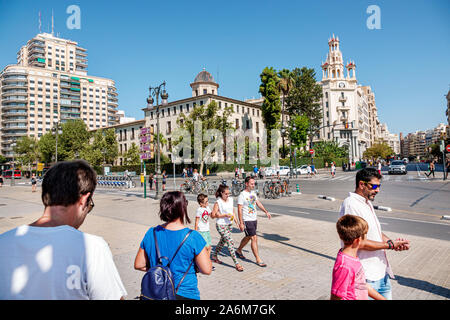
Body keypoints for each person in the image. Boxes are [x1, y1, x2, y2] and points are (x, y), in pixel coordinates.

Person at [0, 160, 127, 300]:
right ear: (84, 200)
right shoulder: (92, 247)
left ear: (45, 197)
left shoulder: (3, 242)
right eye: (90, 206)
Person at [339, 167, 410, 300]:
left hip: (381, 274)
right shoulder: (351, 204)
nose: (377, 190)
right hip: (366, 277)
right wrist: (388, 245)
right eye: (374, 186)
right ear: (361, 184)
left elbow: (375, 233)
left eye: (379, 186)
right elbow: (357, 242)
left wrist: (393, 243)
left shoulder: (366, 202)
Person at [134, 191, 212, 300]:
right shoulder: (193, 236)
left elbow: (138, 264)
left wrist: (162, 273)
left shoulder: (151, 233)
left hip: (157, 292)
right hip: (185, 293)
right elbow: (207, 269)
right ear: (182, 209)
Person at [331, 215, 386, 300]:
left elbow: (362, 285)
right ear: (358, 240)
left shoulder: (352, 258)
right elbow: (336, 296)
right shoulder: (345, 266)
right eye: (365, 235)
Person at [236, 176, 271, 267]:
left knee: (248, 237)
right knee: (254, 238)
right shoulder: (242, 195)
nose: (253, 185)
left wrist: (265, 211)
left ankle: (239, 250)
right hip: (247, 220)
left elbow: (258, 203)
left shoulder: (253, 193)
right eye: (251, 184)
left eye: (254, 183)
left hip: (254, 219)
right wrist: (241, 223)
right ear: (246, 184)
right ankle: (258, 259)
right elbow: (239, 209)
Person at [211, 184, 243, 272]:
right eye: (226, 194)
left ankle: (214, 256)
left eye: (229, 193)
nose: (228, 195)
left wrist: (237, 222)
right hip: (221, 225)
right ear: (221, 193)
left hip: (229, 225)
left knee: (222, 242)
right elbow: (213, 215)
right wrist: (222, 215)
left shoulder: (231, 200)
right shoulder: (218, 202)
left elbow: (232, 211)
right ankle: (237, 263)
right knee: (230, 242)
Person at [195, 194, 214, 271]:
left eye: (207, 201)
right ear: (201, 203)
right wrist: (195, 232)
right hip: (201, 231)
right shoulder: (199, 210)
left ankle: (207, 263)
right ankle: (201, 264)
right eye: (205, 202)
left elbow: (212, 215)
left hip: (207, 230)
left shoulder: (207, 208)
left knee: (209, 247)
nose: (207, 203)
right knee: (205, 248)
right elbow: (196, 221)